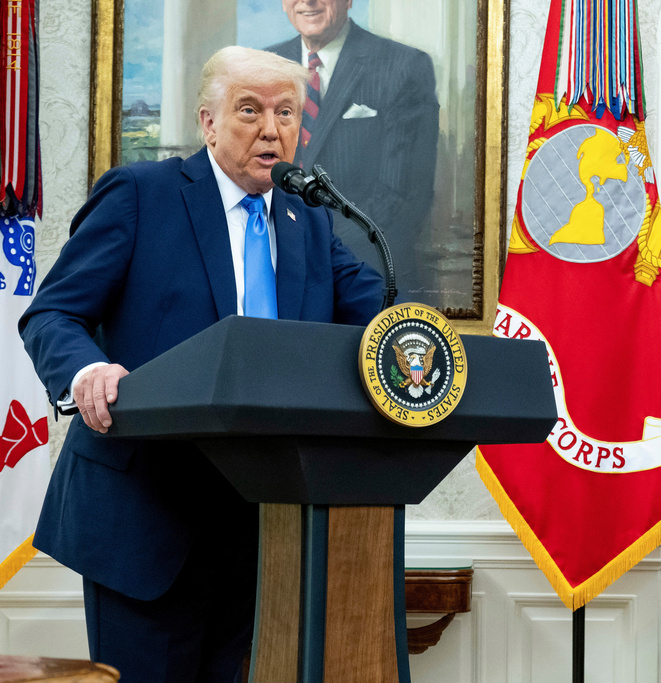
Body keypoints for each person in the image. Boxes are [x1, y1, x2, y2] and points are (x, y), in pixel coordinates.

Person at [19, 46, 384, 682]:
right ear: (208, 122)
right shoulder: (141, 195)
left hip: (265, 532)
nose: (271, 130)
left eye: (286, 113)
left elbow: (381, 315)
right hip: (146, 522)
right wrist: (87, 374)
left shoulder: (310, 221)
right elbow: (52, 315)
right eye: (250, 110)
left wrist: (422, 349)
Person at [267, 0, 440, 299]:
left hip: (367, 280)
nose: (307, 2)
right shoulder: (264, 65)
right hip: (275, 276)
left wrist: (308, 247)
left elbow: (400, 199)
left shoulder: (404, 67)